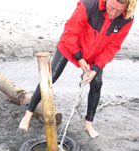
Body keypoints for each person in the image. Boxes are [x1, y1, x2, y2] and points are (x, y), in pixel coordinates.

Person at [19, 0, 137, 138]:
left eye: (119, 11)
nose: (113, 13)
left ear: (127, 7)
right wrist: (79, 58)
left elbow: (113, 47)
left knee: (97, 83)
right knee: (52, 76)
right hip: (70, 46)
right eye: (111, 7)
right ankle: (29, 113)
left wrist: (96, 68)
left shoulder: (126, 19)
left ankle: (88, 123)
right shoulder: (88, 6)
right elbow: (70, 33)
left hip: (95, 52)